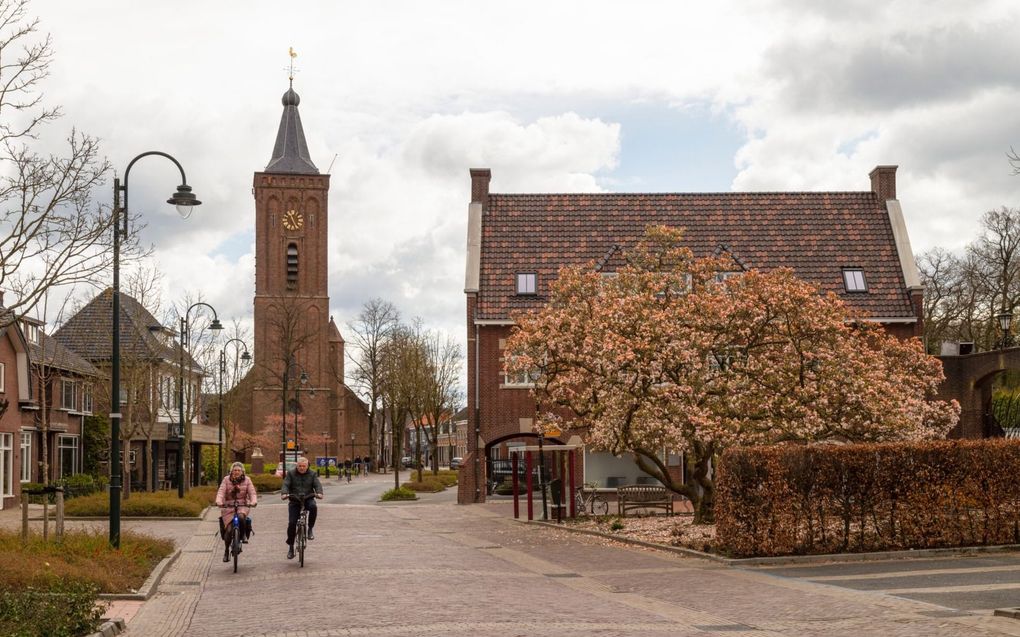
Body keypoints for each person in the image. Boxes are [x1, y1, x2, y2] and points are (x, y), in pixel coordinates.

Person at [281, 456, 323, 560]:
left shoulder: (312, 474)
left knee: (313, 506)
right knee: (292, 523)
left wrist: (319, 493)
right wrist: (285, 493)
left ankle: (310, 529)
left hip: (308, 498)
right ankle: (291, 547)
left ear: (307, 466)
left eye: (304, 466)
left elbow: (317, 485)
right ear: (297, 466)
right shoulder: (291, 473)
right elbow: (286, 484)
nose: (302, 468)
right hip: (295, 500)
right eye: (300, 466)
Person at [215, 462, 258, 563]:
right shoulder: (226, 480)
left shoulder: (247, 480)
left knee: (241, 517)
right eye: (235, 470)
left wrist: (253, 501)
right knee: (229, 531)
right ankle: (226, 551)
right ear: (231, 471)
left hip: (242, 505)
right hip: (228, 506)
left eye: (239, 470)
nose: (237, 472)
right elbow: (221, 492)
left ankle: (242, 535)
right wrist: (219, 501)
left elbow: (252, 492)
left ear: (242, 471)